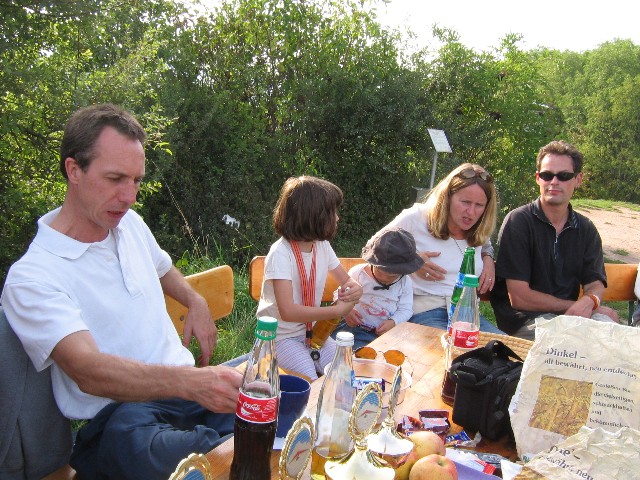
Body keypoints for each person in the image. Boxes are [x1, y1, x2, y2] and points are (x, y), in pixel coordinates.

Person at [1, 104, 243, 479]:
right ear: (74, 170)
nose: (129, 196)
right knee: (203, 456)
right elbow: (88, 371)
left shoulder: (128, 224)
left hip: (187, 396)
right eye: (115, 179)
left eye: (136, 181)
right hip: (120, 421)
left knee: (270, 412)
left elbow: (163, 268)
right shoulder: (33, 277)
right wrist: (195, 383)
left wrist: (193, 299)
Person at [490, 140, 619, 339]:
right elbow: (519, 297)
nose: (554, 182)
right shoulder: (518, 222)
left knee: (615, 335)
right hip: (525, 322)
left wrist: (591, 301)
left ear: (578, 179)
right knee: (581, 343)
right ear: (538, 178)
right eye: (547, 175)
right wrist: (574, 306)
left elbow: (595, 283)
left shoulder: (586, 229)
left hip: (570, 319)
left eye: (564, 176)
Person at [375, 163, 503, 333]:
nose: (471, 212)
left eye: (479, 205)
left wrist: (488, 257)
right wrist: (412, 262)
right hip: (423, 313)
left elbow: (485, 244)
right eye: (465, 202)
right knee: (451, 348)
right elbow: (373, 249)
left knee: (506, 349)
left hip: (467, 315)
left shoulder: (479, 229)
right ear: (447, 197)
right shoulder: (417, 217)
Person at [256, 176, 362, 380]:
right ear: (314, 216)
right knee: (310, 383)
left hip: (313, 334)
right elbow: (288, 312)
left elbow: (347, 281)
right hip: (280, 338)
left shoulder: (321, 246)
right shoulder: (281, 253)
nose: (337, 218)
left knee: (346, 373)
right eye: (333, 212)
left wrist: (356, 289)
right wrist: (336, 311)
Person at [332, 227, 424, 350]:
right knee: (337, 348)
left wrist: (393, 322)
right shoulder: (358, 274)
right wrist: (346, 310)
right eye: (380, 272)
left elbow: (406, 309)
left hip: (380, 334)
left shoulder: (404, 282)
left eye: (392, 276)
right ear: (372, 263)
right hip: (349, 327)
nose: (385, 278)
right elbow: (339, 293)